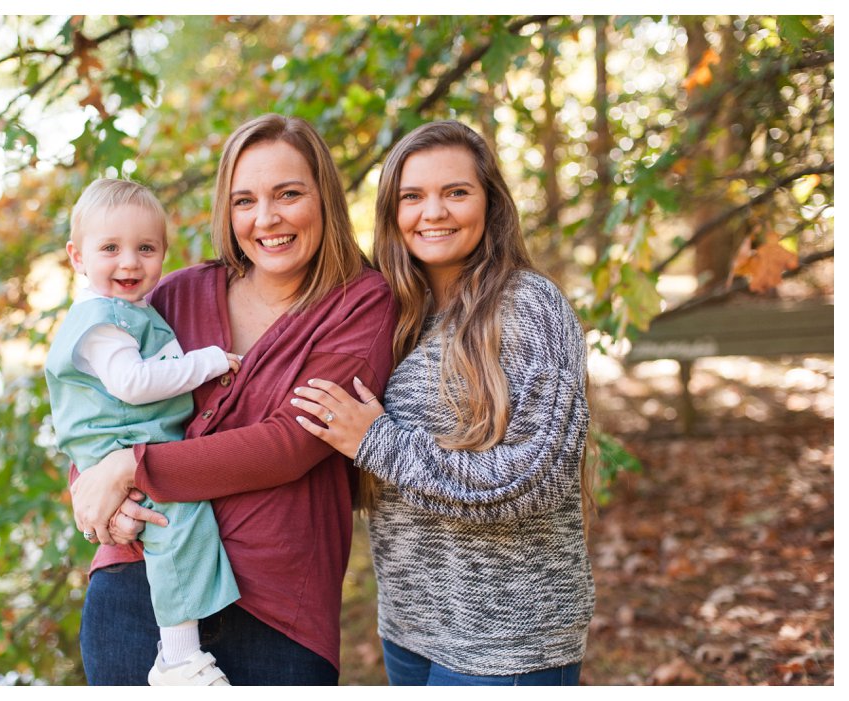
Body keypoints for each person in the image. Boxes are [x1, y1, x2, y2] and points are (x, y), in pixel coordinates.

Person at [67, 114, 398, 685]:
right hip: (138, 586)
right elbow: (98, 406)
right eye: (244, 200)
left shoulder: (361, 305)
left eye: (288, 194)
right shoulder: (174, 294)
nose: (266, 219)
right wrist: (95, 493)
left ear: (325, 199)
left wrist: (132, 466)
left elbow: (292, 441)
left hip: (273, 608)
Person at [291, 120, 595, 686]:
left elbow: (536, 480)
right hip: (409, 630)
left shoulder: (528, 305)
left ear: (490, 203)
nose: (433, 212)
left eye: (456, 192)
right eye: (413, 196)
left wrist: (378, 443)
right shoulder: (393, 313)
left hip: (507, 639)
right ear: (392, 212)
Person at [45, 178, 242, 685]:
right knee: (175, 521)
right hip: (115, 439)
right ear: (77, 256)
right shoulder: (103, 322)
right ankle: (177, 656)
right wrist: (208, 362)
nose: (130, 262)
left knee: (174, 518)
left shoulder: (131, 312)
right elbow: (131, 384)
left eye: (145, 248)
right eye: (110, 248)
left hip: (125, 442)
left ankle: (180, 651)